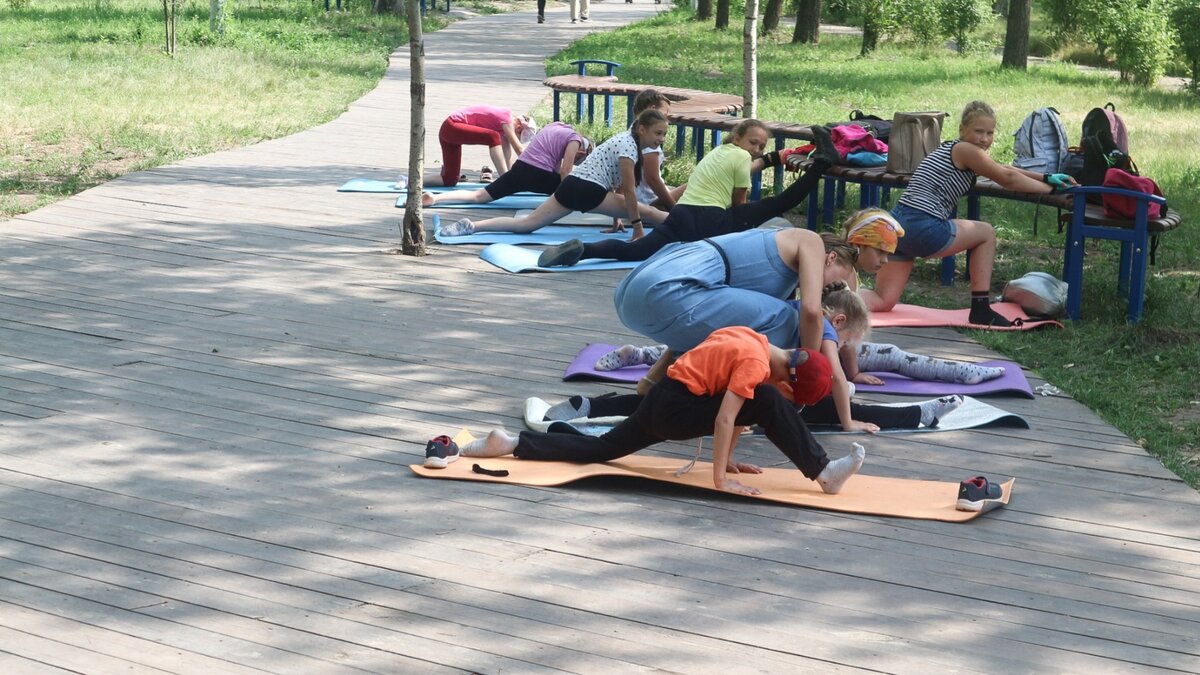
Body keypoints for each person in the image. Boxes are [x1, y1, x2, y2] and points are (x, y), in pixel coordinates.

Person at [460, 326, 866, 497]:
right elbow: (726, 417)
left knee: (601, 450)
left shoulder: (753, 339)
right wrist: (721, 477)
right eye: (789, 393)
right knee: (767, 401)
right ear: (788, 379)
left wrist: (732, 459)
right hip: (674, 407)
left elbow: (735, 408)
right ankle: (823, 471)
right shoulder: (757, 368)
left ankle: (512, 442)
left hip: (665, 399)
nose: (781, 396)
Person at [866, 101, 1077, 327]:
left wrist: (1045, 178)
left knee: (883, 300)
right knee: (986, 233)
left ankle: (834, 299)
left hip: (897, 228)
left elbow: (1003, 168)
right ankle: (980, 309)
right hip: (922, 226)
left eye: (990, 133)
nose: (984, 138)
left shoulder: (955, 149)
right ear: (962, 130)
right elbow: (1008, 179)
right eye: (978, 131)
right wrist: (1053, 190)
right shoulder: (966, 150)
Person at [537, 121, 842, 268]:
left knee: (639, 250)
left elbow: (743, 170)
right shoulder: (740, 158)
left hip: (682, 215)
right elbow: (739, 204)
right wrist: (748, 221)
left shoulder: (720, 152)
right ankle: (822, 163)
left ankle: (583, 251)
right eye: (754, 144)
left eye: (761, 148)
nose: (757, 151)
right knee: (780, 203)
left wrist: (776, 157)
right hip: (712, 219)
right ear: (738, 138)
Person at [615, 228, 859, 394]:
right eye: (838, 282)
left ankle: (680, 390)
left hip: (633, 295)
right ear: (831, 258)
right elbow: (811, 311)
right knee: (793, 320)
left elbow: (707, 323)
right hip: (670, 287)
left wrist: (650, 381)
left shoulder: (776, 272)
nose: (832, 290)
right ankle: (753, 395)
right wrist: (810, 369)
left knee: (752, 330)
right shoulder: (810, 241)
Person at [437, 109, 672, 237]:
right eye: (658, 134)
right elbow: (628, 191)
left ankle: (472, 226)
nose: (660, 140)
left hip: (570, 186)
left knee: (527, 224)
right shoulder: (629, 149)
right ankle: (687, 224)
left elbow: (617, 188)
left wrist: (616, 221)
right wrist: (637, 227)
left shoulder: (625, 140)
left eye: (663, 135)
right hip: (587, 189)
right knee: (649, 212)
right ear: (642, 129)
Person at [801, 282, 963, 432]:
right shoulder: (826, 328)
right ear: (838, 321)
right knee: (845, 410)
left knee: (832, 400)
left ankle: (919, 414)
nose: (840, 346)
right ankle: (920, 414)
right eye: (844, 341)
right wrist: (848, 423)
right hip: (781, 399)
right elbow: (837, 377)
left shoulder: (803, 313)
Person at [421, 122, 590, 208]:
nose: (576, 160)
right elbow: (565, 171)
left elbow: (555, 168)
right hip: (536, 173)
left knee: (480, 196)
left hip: (520, 167)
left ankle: (435, 198)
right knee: (574, 185)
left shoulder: (556, 126)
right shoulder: (575, 140)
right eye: (578, 159)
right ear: (582, 150)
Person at [419, 106, 535, 188]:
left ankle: (414, 181)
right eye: (519, 136)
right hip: (451, 126)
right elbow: (519, 149)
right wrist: (537, 166)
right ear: (519, 127)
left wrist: (513, 175)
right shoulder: (507, 119)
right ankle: (503, 181)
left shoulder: (503, 128)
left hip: (450, 132)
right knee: (493, 137)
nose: (516, 137)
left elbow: (507, 154)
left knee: (449, 180)